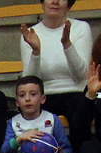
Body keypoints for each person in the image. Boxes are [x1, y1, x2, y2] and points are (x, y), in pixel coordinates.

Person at [19, 0, 91, 144]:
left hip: (76, 92)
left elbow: (81, 76)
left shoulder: (81, 28)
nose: (55, 1)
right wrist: (36, 52)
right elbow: (30, 81)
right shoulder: (31, 34)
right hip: (44, 95)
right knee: (32, 111)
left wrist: (67, 45)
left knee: (80, 116)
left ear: (69, 4)